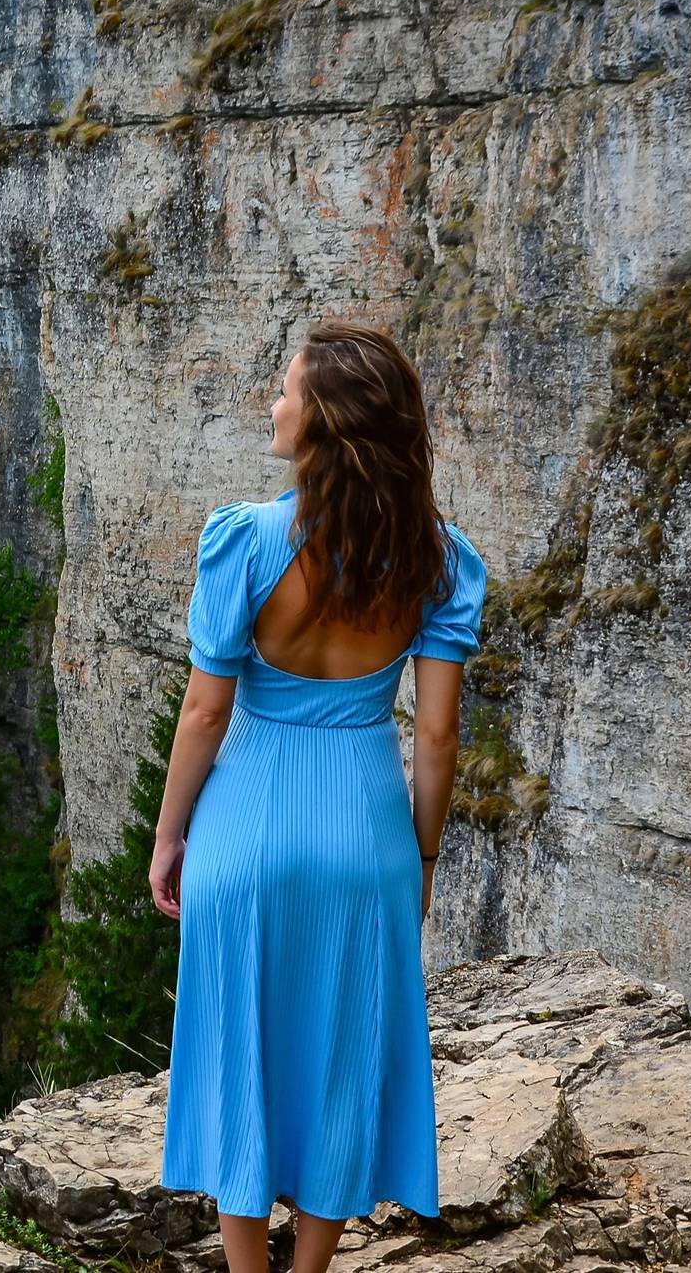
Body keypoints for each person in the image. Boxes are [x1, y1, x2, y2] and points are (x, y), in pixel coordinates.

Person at [147, 320, 488, 1273]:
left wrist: (169, 836)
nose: (272, 402)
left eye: (284, 390)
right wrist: (419, 857)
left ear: (324, 423)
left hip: (246, 826)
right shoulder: (436, 558)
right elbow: (433, 734)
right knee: (343, 1052)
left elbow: (204, 716)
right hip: (364, 828)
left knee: (239, 1047)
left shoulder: (246, 541)